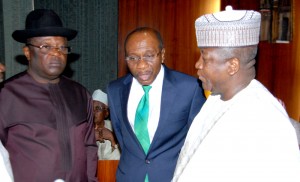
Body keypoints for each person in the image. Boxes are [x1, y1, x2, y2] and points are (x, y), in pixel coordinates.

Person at [172, 6, 300, 182]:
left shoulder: (267, 120)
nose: (198, 65)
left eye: (205, 58)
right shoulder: (216, 99)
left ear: (232, 66)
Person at [0, 9, 98, 181]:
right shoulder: (6, 94)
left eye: (62, 47)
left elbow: (89, 146)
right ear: (27, 52)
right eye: (46, 46)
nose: (56, 53)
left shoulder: (80, 94)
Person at [107, 27, 206, 182]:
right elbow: (122, 136)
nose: (141, 65)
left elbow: (199, 141)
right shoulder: (115, 89)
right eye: (132, 58)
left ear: (162, 55)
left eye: (149, 56)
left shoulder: (189, 88)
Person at [92, 89, 121, 160]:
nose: (93, 112)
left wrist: (113, 139)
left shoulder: (115, 128)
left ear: (106, 113)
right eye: (90, 108)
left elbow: (121, 160)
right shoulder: (81, 129)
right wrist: (89, 140)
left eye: (98, 108)